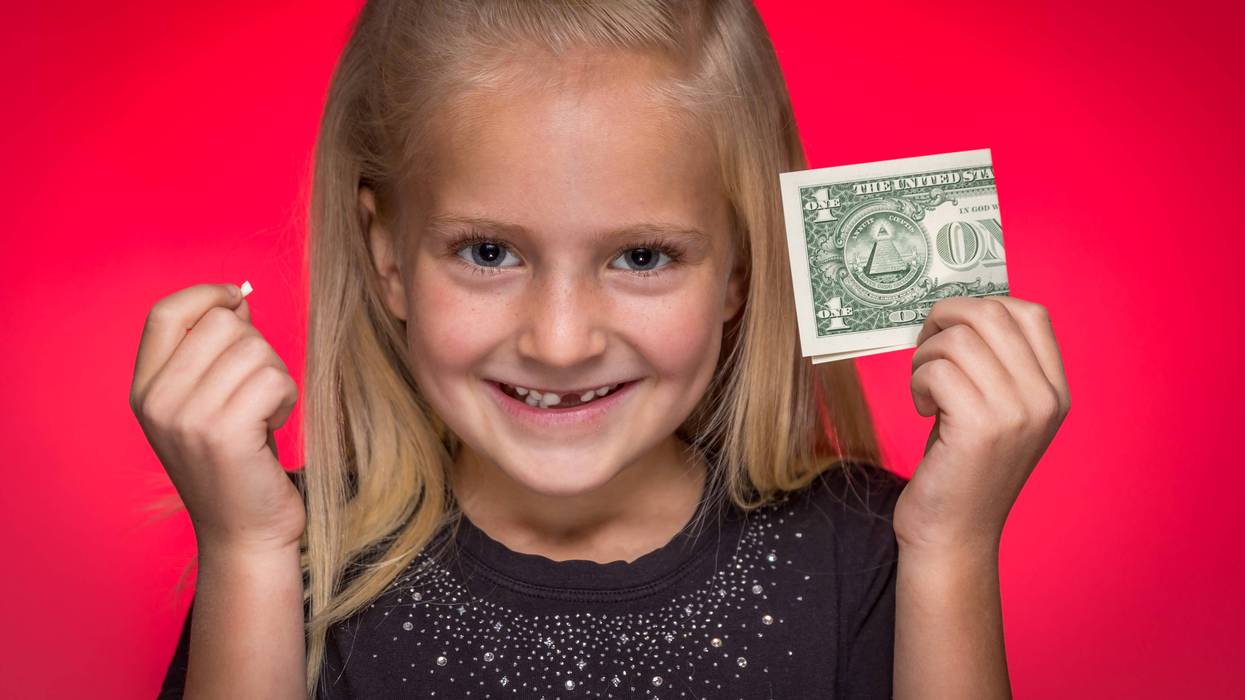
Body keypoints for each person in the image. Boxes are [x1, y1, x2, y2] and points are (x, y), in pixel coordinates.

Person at [130, 1, 1070, 698]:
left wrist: (951, 548)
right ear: (387, 260)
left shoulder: (871, 552)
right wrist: (245, 551)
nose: (560, 341)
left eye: (642, 256)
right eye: (487, 253)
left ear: (739, 271)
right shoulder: (285, 554)